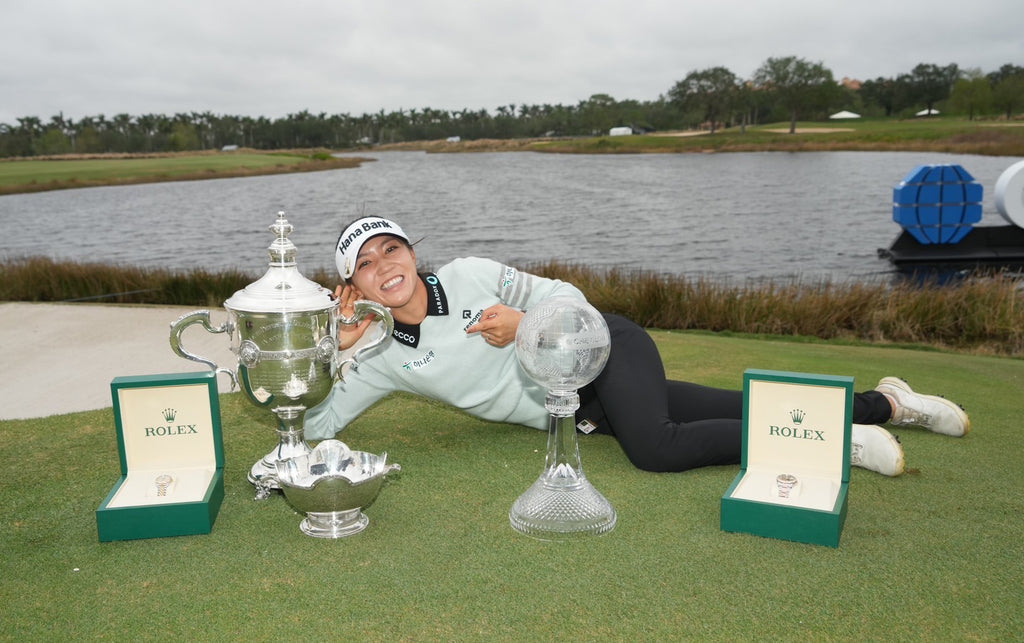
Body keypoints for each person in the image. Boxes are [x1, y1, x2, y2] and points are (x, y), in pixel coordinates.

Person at [304, 216, 971, 477]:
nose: (384, 265)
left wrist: (529, 326)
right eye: (364, 263)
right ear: (352, 284)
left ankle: (827, 442)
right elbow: (309, 424)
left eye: (391, 247)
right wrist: (334, 351)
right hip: (586, 411)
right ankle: (888, 403)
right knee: (740, 404)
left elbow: (568, 292)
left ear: (411, 252)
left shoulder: (471, 274)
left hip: (607, 350)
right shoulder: (381, 354)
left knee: (655, 448)